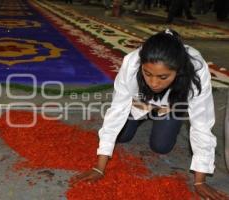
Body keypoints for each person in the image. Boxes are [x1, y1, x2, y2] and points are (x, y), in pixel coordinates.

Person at [71, 29, 229, 200]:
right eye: (147, 74)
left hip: (171, 105)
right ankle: (145, 114)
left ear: (179, 70)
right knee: (122, 136)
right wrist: (99, 168)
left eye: (163, 76)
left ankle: (164, 116)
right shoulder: (131, 63)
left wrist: (200, 181)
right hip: (140, 102)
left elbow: (202, 123)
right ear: (141, 66)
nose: (154, 83)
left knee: (161, 146)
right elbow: (116, 111)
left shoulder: (196, 70)